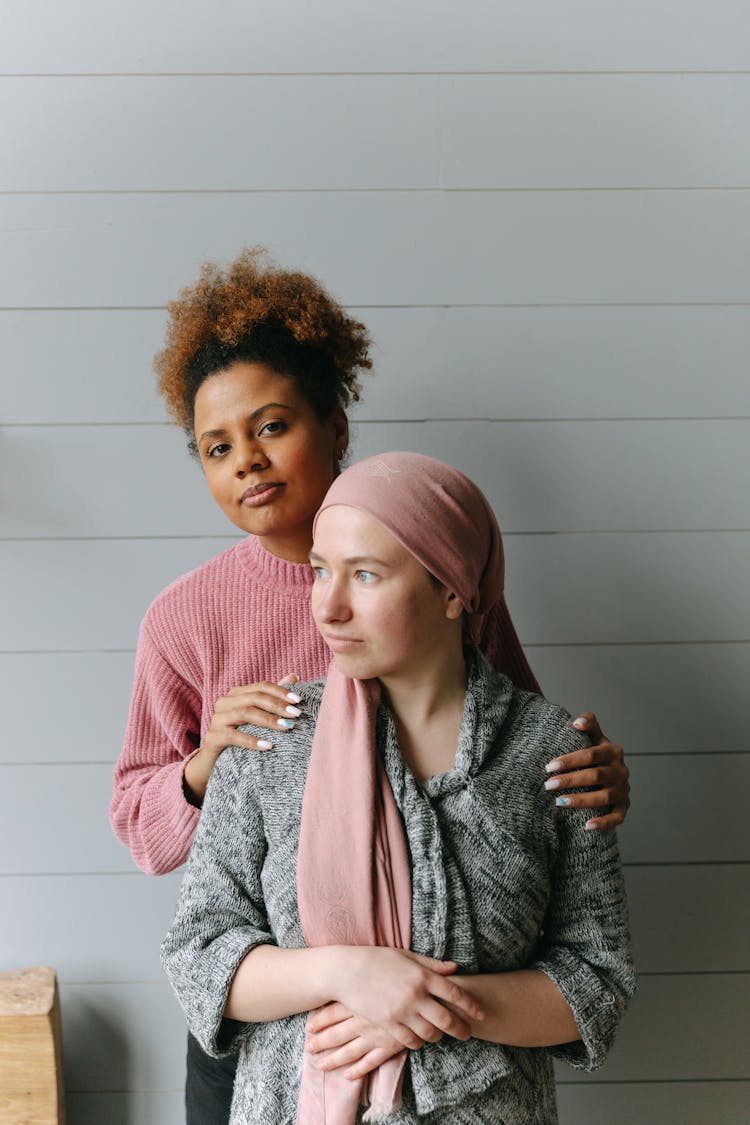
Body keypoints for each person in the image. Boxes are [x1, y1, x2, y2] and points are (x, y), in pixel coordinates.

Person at [109, 248, 631, 1123]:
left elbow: (509, 755)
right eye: (217, 447)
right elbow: (148, 836)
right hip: (276, 1025)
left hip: (464, 1064)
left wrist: (596, 773)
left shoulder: (438, 574)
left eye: (271, 426)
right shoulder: (185, 619)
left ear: (335, 424)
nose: (246, 461)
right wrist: (207, 766)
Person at [161, 452, 635, 1124]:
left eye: (365, 574)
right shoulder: (271, 743)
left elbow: (596, 979)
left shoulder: (552, 755)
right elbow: (197, 953)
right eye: (321, 569)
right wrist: (348, 974)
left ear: (451, 589)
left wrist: (429, 1010)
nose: (328, 604)